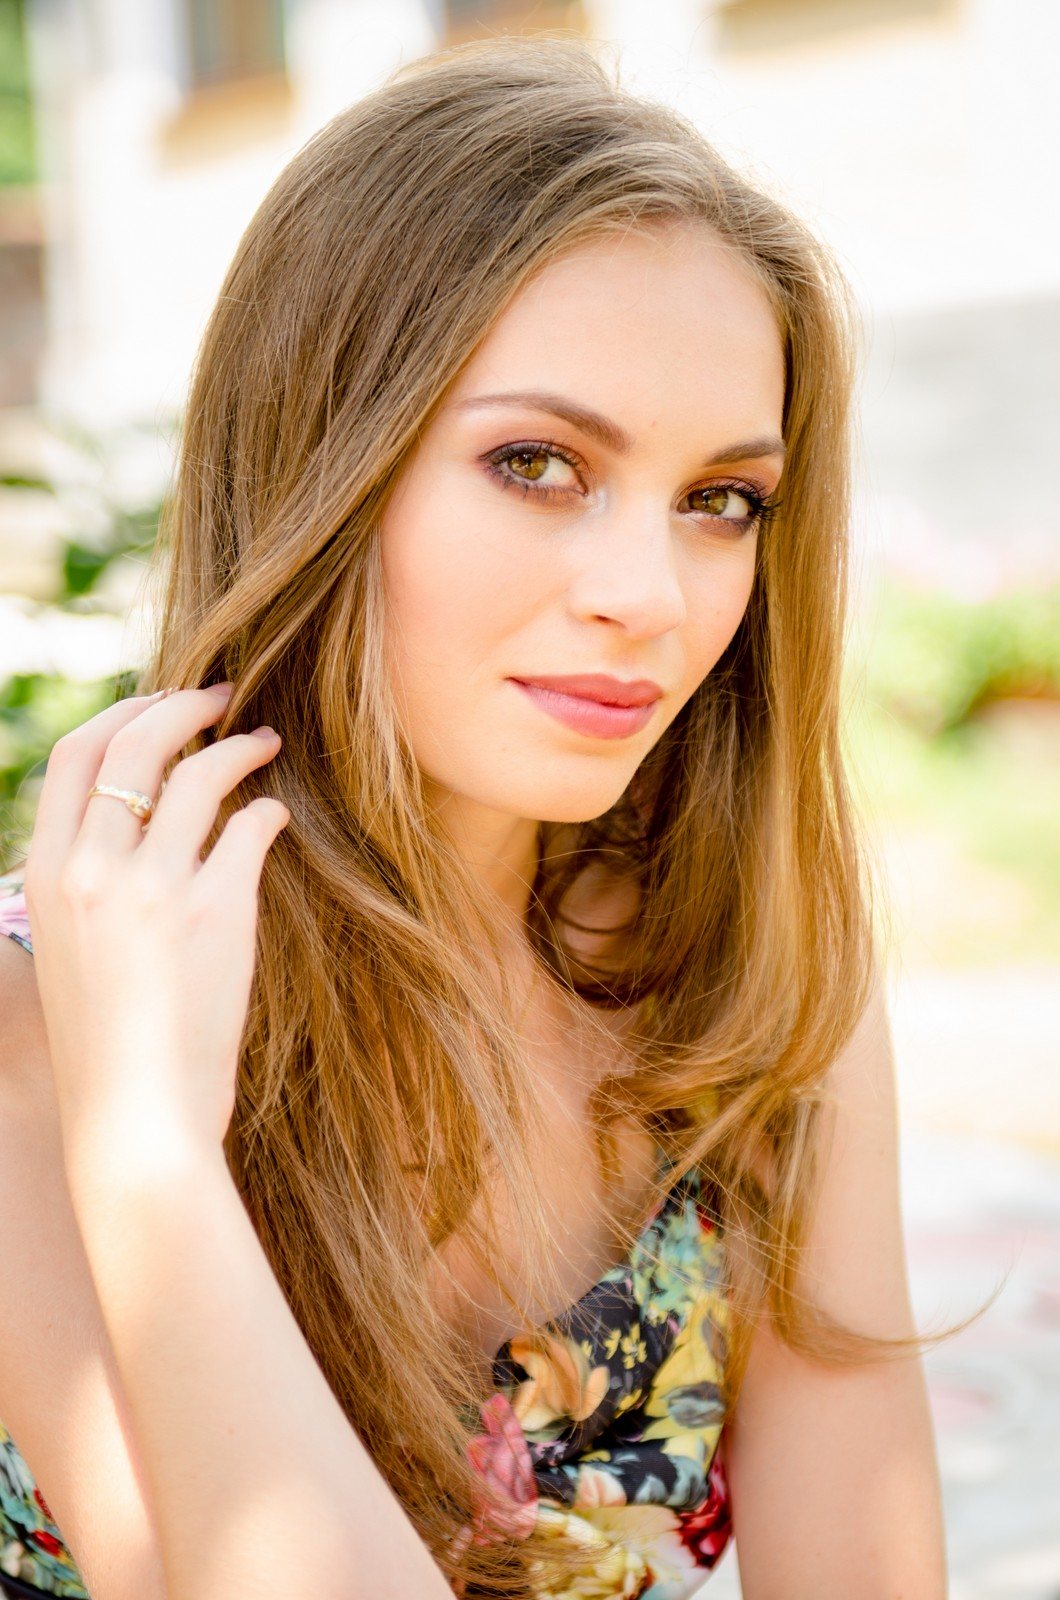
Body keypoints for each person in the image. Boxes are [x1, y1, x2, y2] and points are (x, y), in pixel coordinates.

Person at [0, 32, 963, 1600]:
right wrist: (152, 1151)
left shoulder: (748, 989)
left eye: (720, 500)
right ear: (323, 460)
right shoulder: (46, 1030)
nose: (651, 597)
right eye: (537, 463)